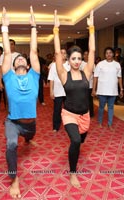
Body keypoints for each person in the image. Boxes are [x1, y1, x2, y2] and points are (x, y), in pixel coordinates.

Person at [1, 6, 40, 198]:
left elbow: (33, 50)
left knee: (29, 137)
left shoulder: (34, 76)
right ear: (14, 65)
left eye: (23, 59)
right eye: (18, 59)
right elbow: (8, 54)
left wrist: (33, 26)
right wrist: (4, 28)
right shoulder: (8, 77)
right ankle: (14, 179)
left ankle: (29, 139)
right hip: (13, 122)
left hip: (31, 124)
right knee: (11, 144)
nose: (20, 60)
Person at [54, 9, 95, 188]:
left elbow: (92, 50)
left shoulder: (86, 72)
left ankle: (75, 149)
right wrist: (56, 30)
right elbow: (57, 54)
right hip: (69, 114)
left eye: (79, 58)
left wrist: (91, 28)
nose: (77, 61)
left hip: (84, 115)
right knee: (76, 140)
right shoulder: (64, 74)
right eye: (73, 58)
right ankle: (73, 173)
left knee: (81, 140)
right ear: (68, 60)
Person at [92, 47, 124, 130]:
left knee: (111, 107)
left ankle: (110, 124)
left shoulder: (117, 65)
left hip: (113, 90)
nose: (108, 54)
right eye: (107, 53)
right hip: (102, 90)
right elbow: (95, 77)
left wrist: (121, 89)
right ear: (105, 55)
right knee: (101, 107)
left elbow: (119, 77)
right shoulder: (100, 64)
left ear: (113, 54)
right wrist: (93, 89)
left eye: (110, 52)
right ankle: (100, 122)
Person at [47, 48, 69, 132]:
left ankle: (69, 126)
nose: (63, 54)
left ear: (67, 55)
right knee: (57, 110)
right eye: (61, 53)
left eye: (64, 53)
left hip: (68, 91)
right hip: (58, 91)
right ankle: (56, 126)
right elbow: (51, 79)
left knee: (69, 110)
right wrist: (51, 91)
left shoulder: (69, 64)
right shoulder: (54, 65)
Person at [80, 50, 95, 117]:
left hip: (90, 84)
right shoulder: (81, 63)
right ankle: (83, 112)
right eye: (85, 54)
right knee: (82, 99)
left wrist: (95, 86)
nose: (86, 56)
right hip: (82, 84)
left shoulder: (92, 63)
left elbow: (95, 75)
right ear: (83, 56)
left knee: (90, 100)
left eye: (87, 54)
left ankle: (91, 113)